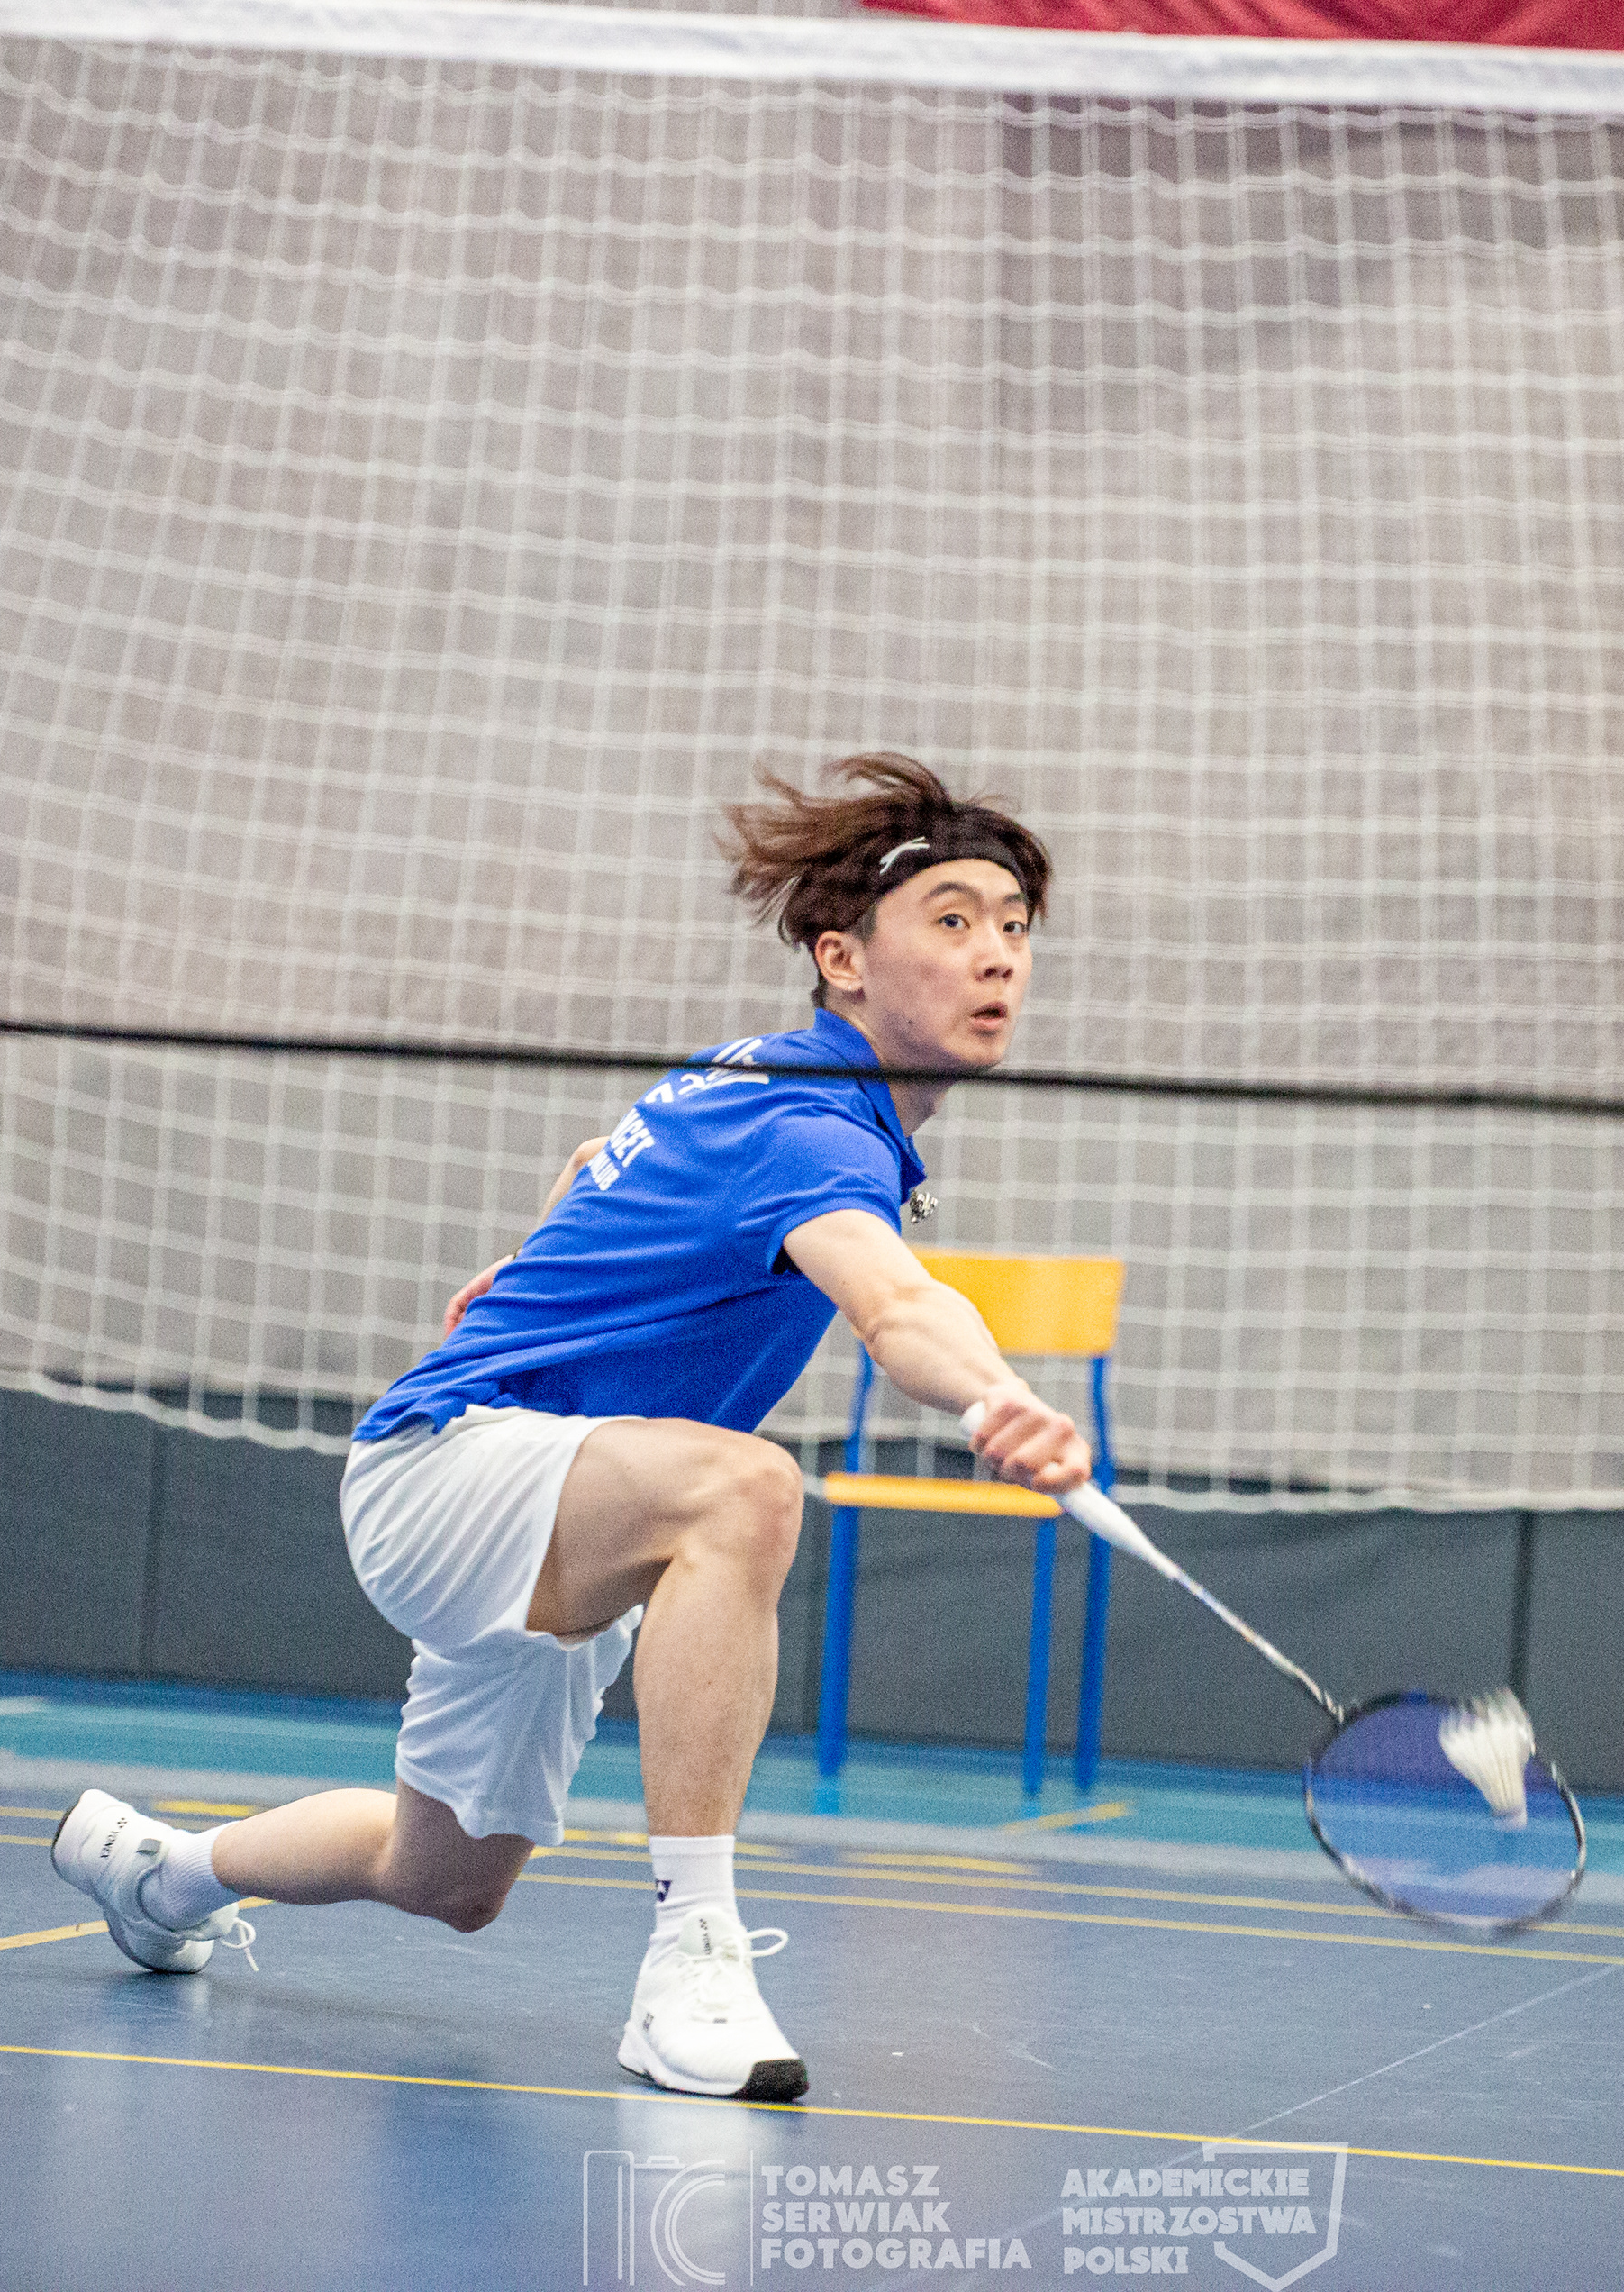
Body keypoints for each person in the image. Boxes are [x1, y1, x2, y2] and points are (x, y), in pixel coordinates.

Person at [53, 752, 1093, 2101]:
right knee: (746, 1491)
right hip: (456, 1464)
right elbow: (896, 1305)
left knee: (443, 1876)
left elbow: (596, 1172)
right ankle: (693, 1962)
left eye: (1014, 925)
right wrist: (999, 1398)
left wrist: (535, 1263)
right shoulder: (813, 1124)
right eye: (951, 920)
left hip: (561, 1501)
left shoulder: (751, 1079)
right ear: (842, 958)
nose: (997, 955)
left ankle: (160, 1875)